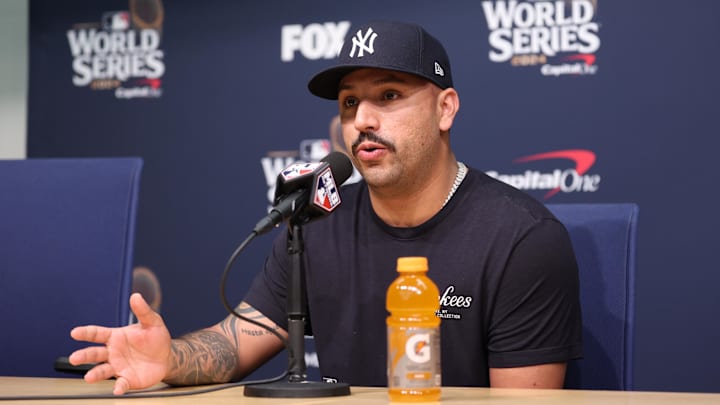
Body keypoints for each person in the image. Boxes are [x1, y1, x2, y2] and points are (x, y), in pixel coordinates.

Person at [69, 21, 582, 395]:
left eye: (389, 94)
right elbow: (235, 343)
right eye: (350, 103)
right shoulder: (317, 223)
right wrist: (169, 359)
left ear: (445, 108)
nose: (363, 120)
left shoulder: (522, 239)